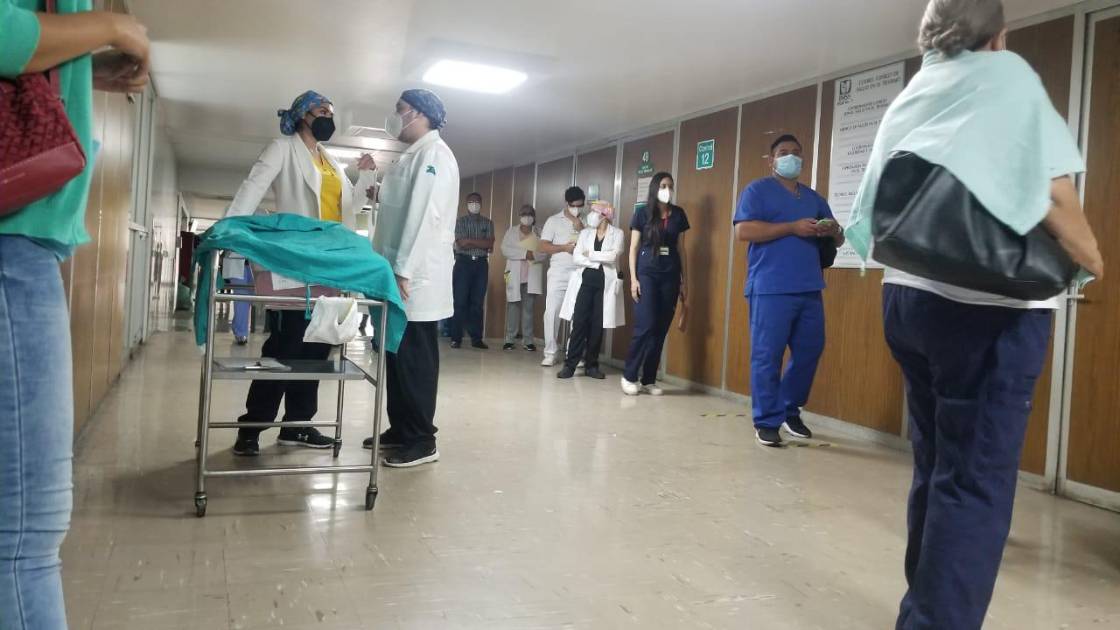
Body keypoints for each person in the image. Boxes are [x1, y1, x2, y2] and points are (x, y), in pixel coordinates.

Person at [845, 2, 1104, 628]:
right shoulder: (1006, 77)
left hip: (907, 296)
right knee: (975, 481)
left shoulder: (919, 87)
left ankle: (923, 606)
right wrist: (1091, 255)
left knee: (938, 467)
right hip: (987, 308)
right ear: (997, 34)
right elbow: (1052, 191)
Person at [0, 2, 150, 628]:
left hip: (22, 240)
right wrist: (112, 27)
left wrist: (83, 63)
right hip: (11, 243)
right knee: (23, 536)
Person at [224, 90, 377, 457]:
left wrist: (365, 176)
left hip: (329, 265)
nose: (328, 116)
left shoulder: (330, 161)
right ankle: (252, 428)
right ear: (301, 114)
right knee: (284, 348)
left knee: (317, 348)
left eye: (331, 111)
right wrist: (229, 230)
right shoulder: (282, 148)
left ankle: (298, 425)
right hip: (295, 263)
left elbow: (349, 207)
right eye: (321, 109)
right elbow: (253, 187)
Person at [363, 88, 460, 468]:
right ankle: (401, 429)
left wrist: (404, 269)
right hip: (397, 273)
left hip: (416, 277)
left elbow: (425, 217)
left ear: (418, 113)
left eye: (400, 109)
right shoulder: (413, 155)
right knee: (396, 355)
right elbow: (403, 207)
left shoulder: (435, 155)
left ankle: (422, 439)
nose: (395, 116)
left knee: (415, 359)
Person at [733, 134, 844, 447]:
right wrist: (792, 227)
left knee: (810, 350)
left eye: (796, 152)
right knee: (767, 355)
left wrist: (834, 231)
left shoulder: (813, 198)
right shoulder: (757, 190)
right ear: (771, 160)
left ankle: (789, 408)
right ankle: (767, 420)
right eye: (783, 152)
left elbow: (838, 238)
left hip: (809, 286)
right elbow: (743, 230)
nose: (790, 157)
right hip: (769, 287)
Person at [621, 172, 689, 396]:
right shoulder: (642, 213)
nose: (667, 189)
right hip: (647, 272)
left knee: (660, 329)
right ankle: (629, 376)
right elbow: (633, 248)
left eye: (670, 185)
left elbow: (681, 249)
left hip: (670, 275)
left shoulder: (678, 214)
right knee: (646, 324)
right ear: (654, 188)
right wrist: (634, 279)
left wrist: (685, 281)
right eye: (663, 185)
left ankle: (649, 379)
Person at [557, 201, 625, 380]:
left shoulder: (618, 233)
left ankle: (592, 366)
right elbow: (577, 257)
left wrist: (591, 255)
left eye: (595, 211)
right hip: (585, 283)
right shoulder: (586, 233)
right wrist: (597, 261)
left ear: (605, 215)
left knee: (597, 326)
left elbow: (613, 256)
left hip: (605, 286)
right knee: (579, 323)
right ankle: (570, 365)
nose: (591, 215)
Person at [538, 186, 586, 366]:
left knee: (578, 315)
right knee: (552, 312)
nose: (577, 209)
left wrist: (582, 228)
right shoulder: (553, 220)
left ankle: (574, 354)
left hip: (580, 271)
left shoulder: (588, 220)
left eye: (580, 205)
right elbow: (543, 246)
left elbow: (594, 242)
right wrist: (564, 248)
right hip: (558, 272)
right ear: (567, 203)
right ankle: (550, 353)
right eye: (574, 205)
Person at [450, 192, 494, 349]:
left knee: (477, 303)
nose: (474, 205)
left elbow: (490, 244)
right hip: (463, 263)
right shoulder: (460, 222)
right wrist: (480, 242)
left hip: (481, 264)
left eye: (476, 202)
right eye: (471, 202)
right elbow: (461, 244)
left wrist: (470, 241)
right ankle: (456, 338)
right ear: (466, 204)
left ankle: (476, 339)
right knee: (460, 301)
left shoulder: (488, 223)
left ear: (481, 204)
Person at [500, 205, 545, 351]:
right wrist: (525, 254)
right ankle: (509, 339)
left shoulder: (539, 232)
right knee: (512, 307)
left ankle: (528, 341)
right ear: (520, 215)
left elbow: (544, 252)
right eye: (524, 213)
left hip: (531, 277)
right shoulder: (511, 231)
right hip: (512, 274)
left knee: (528, 309)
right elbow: (505, 249)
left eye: (530, 214)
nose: (527, 216)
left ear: (534, 216)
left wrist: (534, 254)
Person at [221, 252, 253, 345]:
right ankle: (241, 333)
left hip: (255, 259)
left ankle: (238, 326)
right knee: (242, 296)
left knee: (250, 296)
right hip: (236, 258)